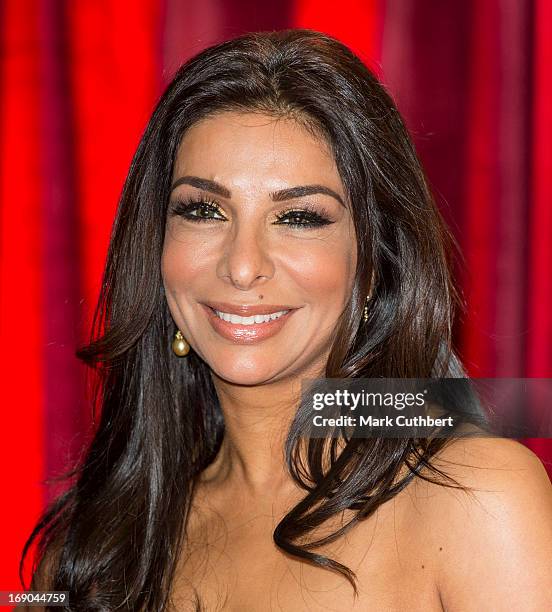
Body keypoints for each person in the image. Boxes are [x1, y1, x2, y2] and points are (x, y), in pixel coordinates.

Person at [20, 29, 552, 611]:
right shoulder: (95, 550)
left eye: (298, 217)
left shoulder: (479, 499)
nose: (242, 266)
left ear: (375, 264)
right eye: (203, 210)